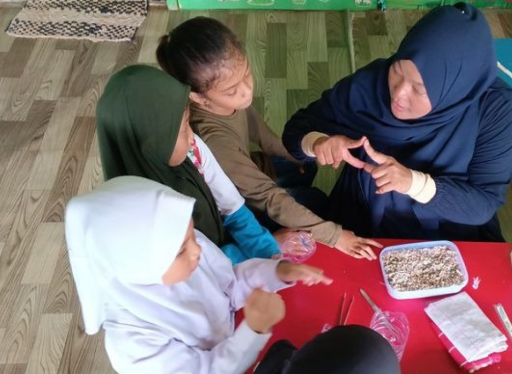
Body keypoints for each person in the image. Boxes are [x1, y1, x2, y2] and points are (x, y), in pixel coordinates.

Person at [64, 176, 399, 374]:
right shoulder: (132, 342)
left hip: (238, 344)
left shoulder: (185, 253)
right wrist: (253, 329)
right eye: (182, 248)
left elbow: (230, 281)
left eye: (193, 236)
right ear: (138, 264)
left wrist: (278, 271)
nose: (197, 250)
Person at [282, 3, 512, 242]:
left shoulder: (494, 107)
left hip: (451, 222)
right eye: (396, 71)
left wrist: (412, 182)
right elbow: (296, 130)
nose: (398, 94)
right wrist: (318, 143)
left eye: (418, 88)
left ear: (453, 90)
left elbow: (484, 202)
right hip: (364, 214)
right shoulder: (370, 85)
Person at [156, 17, 381, 260]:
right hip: (235, 209)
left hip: (245, 173)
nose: (246, 90)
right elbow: (266, 197)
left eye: (247, 74)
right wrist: (335, 237)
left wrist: (291, 155)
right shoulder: (213, 139)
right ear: (198, 98)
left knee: (304, 163)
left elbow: (257, 129)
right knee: (315, 201)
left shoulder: (228, 99)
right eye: (232, 90)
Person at [96, 65, 280, 264]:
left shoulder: (192, 151)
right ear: (151, 144)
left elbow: (231, 204)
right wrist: (259, 254)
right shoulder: (140, 217)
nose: (193, 136)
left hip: (228, 242)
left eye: (188, 123)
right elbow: (198, 268)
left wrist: (267, 249)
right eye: (184, 128)